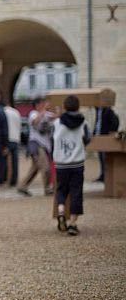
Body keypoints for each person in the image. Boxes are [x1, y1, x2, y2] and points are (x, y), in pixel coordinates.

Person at [53, 95, 91, 236]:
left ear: (64, 106)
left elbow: (52, 139)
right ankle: (73, 224)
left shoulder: (57, 123)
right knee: (76, 192)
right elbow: (87, 139)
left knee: (61, 190)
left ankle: (61, 211)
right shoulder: (83, 123)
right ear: (78, 107)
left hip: (61, 163)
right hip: (77, 163)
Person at [18, 97, 55, 196]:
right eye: (43, 103)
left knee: (35, 167)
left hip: (46, 146)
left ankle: (22, 186)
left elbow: (56, 117)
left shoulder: (47, 114)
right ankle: (47, 189)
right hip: (36, 144)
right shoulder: (33, 114)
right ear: (38, 105)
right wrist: (43, 111)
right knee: (45, 167)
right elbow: (34, 122)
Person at [93, 106, 120, 181]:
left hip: (104, 137)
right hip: (98, 137)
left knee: (104, 157)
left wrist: (110, 133)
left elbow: (115, 122)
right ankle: (102, 175)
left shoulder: (108, 111)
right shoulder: (97, 110)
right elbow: (97, 122)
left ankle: (106, 175)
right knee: (100, 157)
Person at [3, 102, 22, 187]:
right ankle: (14, 181)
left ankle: (4, 179)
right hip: (15, 138)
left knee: (4, 160)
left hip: (7, 138)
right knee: (15, 161)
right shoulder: (16, 112)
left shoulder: (3, 112)